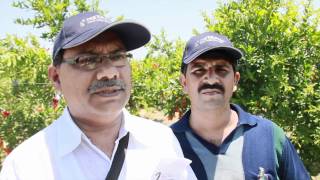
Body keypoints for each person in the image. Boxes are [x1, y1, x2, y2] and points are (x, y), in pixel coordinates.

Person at [0, 12, 196, 180]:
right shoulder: (26, 166)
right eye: (87, 60)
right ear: (56, 77)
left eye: (118, 56)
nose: (109, 73)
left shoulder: (160, 139)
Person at [171, 32, 310, 180]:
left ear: (235, 80)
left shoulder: (271, 136)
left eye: (221, 69)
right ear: (184, 83)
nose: (211, 78)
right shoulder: (166, 144)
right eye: (199, 70)